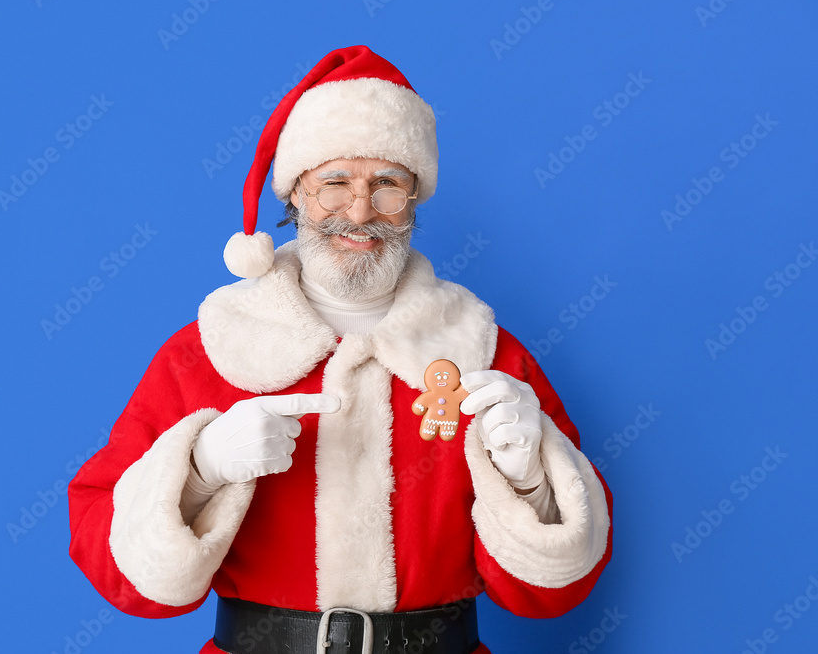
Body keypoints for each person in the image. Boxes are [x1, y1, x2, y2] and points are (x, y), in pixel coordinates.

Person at [68, 45, 612, 654]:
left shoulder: (485, 353)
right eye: (334, 183)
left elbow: (552, 596)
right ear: (295, 194)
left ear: (414, 199)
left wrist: (531, 482)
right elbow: (120, 576)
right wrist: (200, 469)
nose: (359, 211)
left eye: (387, 185)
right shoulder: (210, 349)